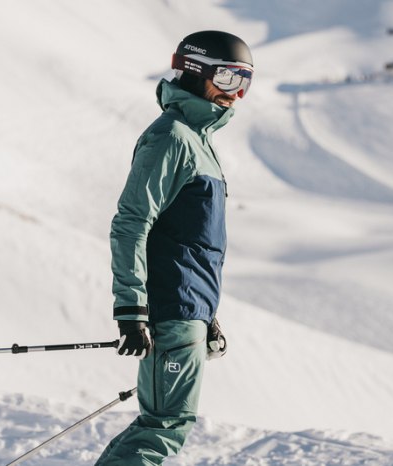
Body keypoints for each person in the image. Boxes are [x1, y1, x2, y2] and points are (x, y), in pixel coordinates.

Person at [96, 30, 254, 465]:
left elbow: (189, 243)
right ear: (197, 70)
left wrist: (205, 314)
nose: (237, 93)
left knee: (160, 424)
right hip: (171, 310)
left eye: (245, 82)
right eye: (228, 78)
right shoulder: (172, 138)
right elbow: (131, 223)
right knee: (163, 426)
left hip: (187, 312)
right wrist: (131, 309)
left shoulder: (198, 142)